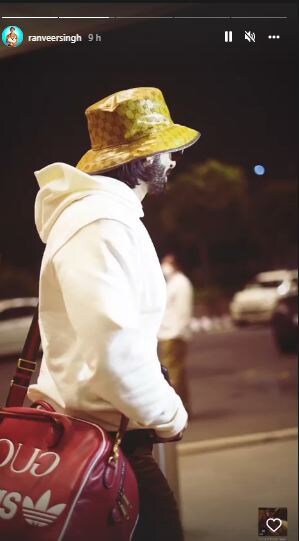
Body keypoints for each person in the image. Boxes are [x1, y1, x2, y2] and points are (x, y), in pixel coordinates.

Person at [28, 87, 200, 541]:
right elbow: (113, 350)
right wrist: (168, 413)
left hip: (94, 434)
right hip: (106, 441)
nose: (173, 161)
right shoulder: (102, 222)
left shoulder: (98, 216)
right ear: (141, 159)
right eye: (165, 152)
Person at [158, 254, 194, 415]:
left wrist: (177, 332)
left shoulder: (181, 283)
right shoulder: (173, 283)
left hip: (174, 334)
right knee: (178, 372)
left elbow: (183, 311)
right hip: (168, 333)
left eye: (168, 262)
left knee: (173, 373)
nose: (164, 265)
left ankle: (175, 411)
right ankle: (184, 408)